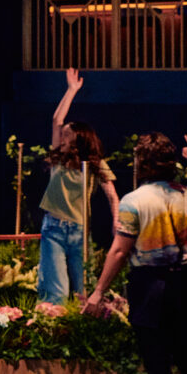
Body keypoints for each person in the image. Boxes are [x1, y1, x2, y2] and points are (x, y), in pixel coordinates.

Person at [83, 132, 187, 374]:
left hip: (149, 287)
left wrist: (98, 291)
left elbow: (120, 250)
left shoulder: (134, 201)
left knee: (157, 362)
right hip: (183, 284)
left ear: (142, 162)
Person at [38, 68, 120, 304]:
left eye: (66, 135)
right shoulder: (59, 158)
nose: (61, 137)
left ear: (78, 140)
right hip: (54, 228)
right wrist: (71, 90)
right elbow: (56, 120)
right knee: (57, 291)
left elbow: (112, 195)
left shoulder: (94, 164)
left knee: (85, 288)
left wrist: (116, 221)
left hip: (79, 231)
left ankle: (85, 324)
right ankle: (53, 321)